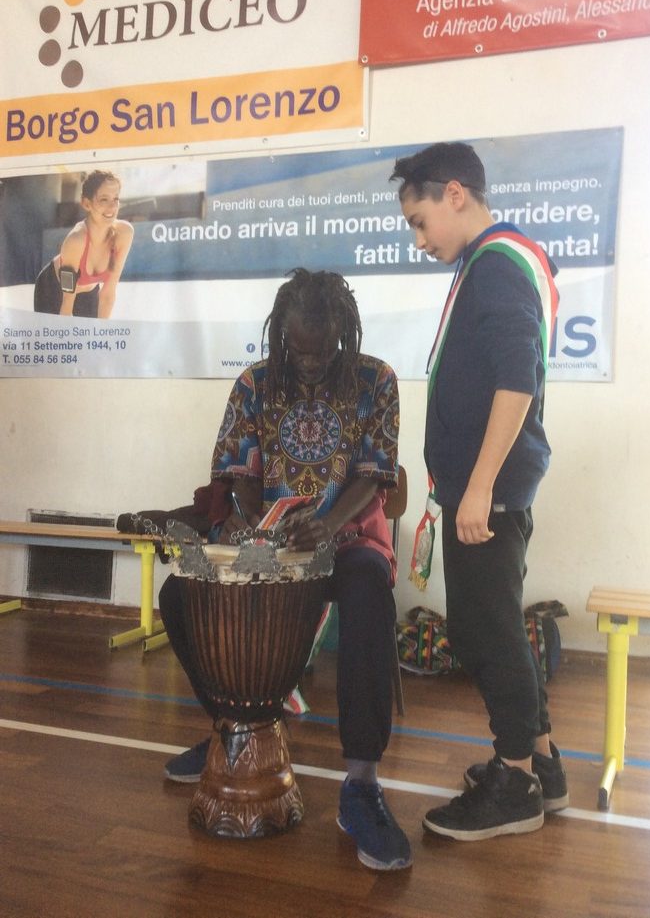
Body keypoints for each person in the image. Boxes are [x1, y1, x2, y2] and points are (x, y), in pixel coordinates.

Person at [158, 268, 411, 872]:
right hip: (270, 540)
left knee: (371, 594)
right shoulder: (254, 383)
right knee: (178, 596)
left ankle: (362, 783)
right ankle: (231, 722)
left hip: (347, 539)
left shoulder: (376, 379)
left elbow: (375, 473)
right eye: (299, 350)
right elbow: (236, 472)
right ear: (281, 339)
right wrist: (258, 523)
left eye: (323, 350)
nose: (311, 362)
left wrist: (328, 525)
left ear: (342, 336)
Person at [389, 142, 568, 841]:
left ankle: (515, 780)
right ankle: (543, 763)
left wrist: (479, 487)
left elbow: (516, 379)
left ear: (455, 194)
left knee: (484, 631)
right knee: (493, 624)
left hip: (486, 491)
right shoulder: (490, 262)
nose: (418, 236)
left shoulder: (496, 267)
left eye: (419, 219)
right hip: (484, 486)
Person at [33, 169, 133, 319]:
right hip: (54, 289)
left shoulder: (124, 234)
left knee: (93, 338)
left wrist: (102, 334)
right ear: (87, 203)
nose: (112, 207)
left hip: (88, 289)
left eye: (116, 199)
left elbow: (108, 293)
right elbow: (66, 306)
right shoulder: (76, 240)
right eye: (104, 199)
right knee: (55, 340)